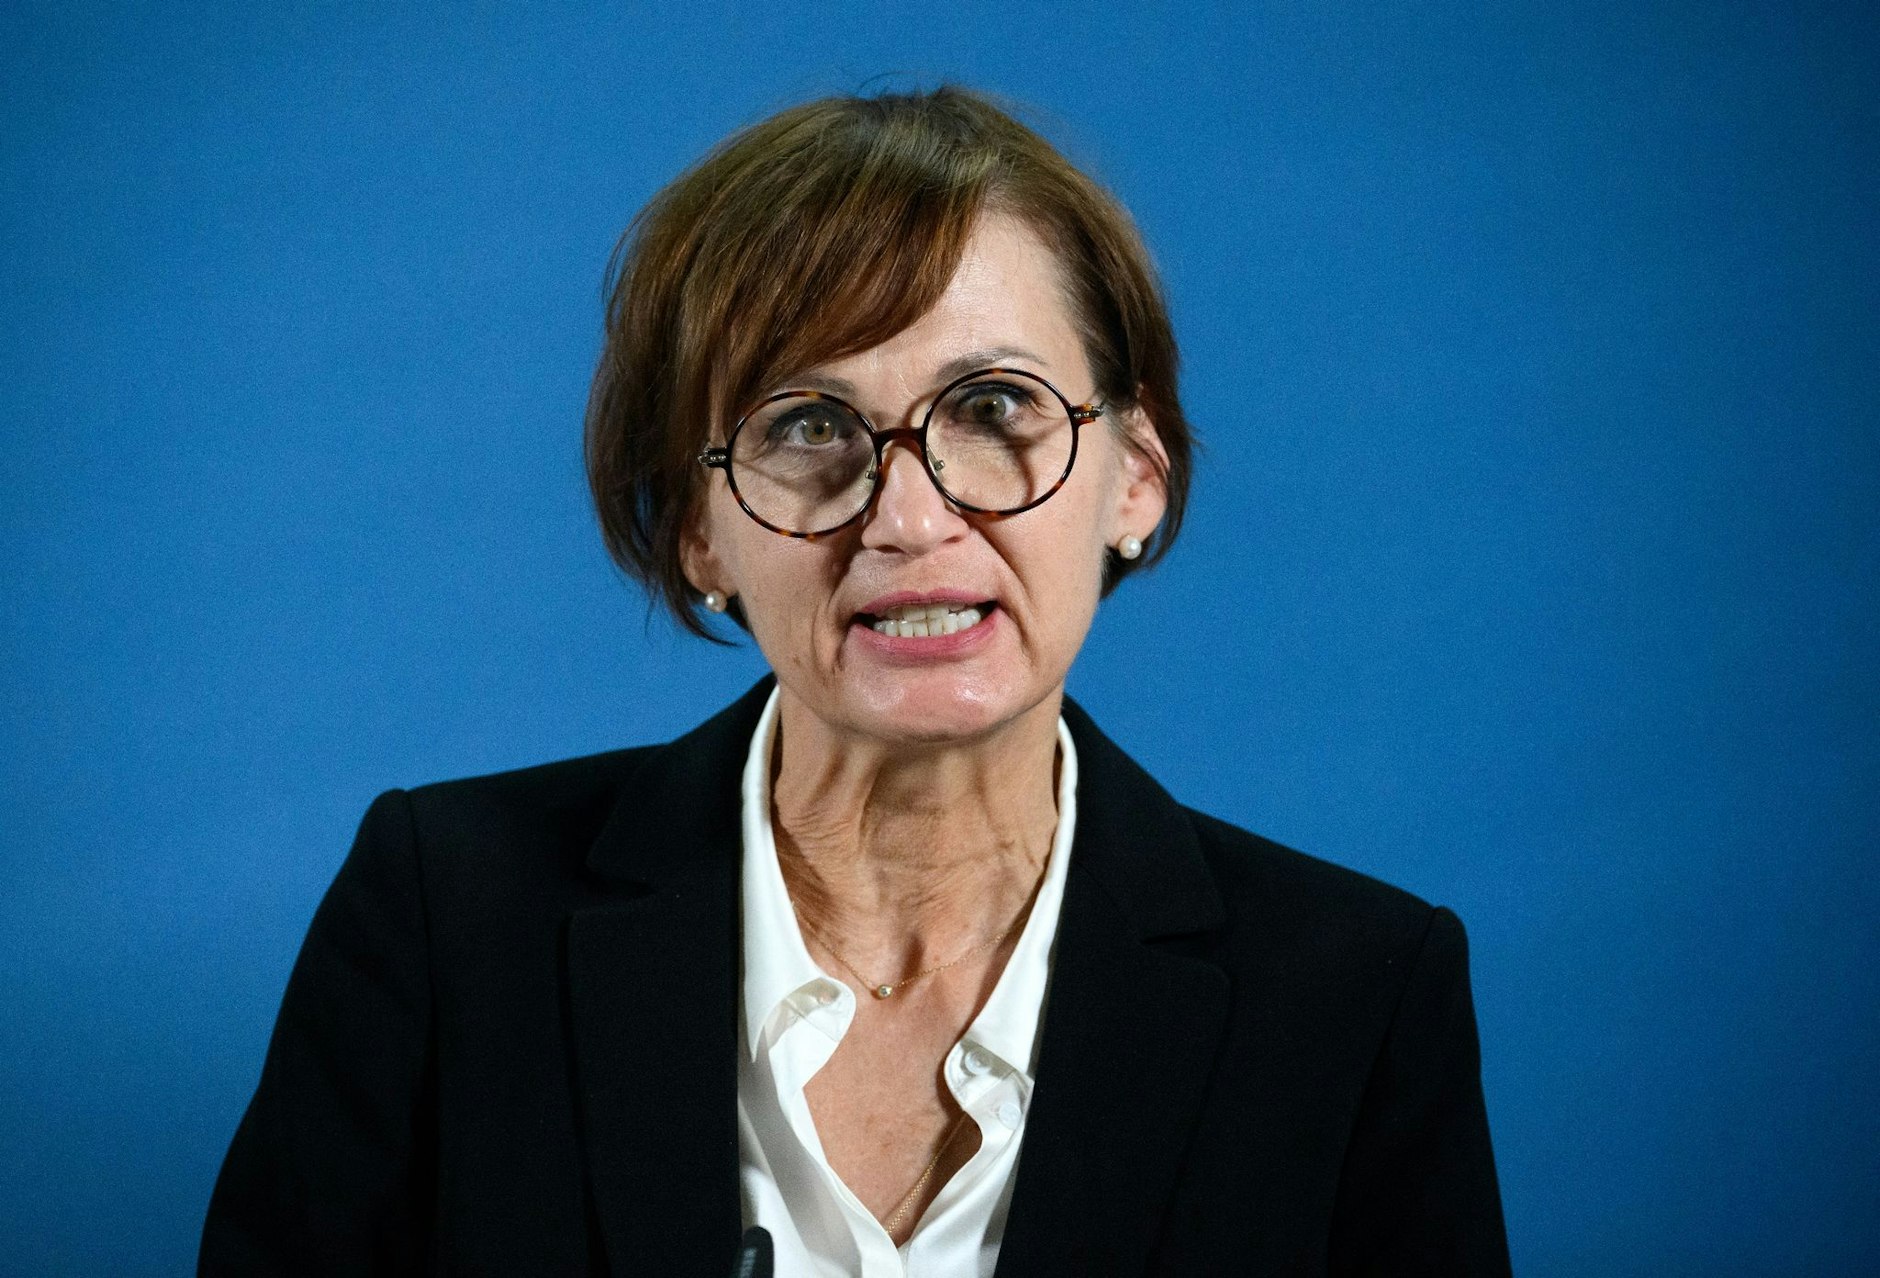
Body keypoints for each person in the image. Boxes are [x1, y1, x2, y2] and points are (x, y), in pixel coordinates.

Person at [200, 87, 1510, 1277]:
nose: (908, 518)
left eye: (993, 410)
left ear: (1136, 477)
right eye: (810, 426)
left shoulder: (1355, 997)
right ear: (699, 531)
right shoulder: (447, 918)